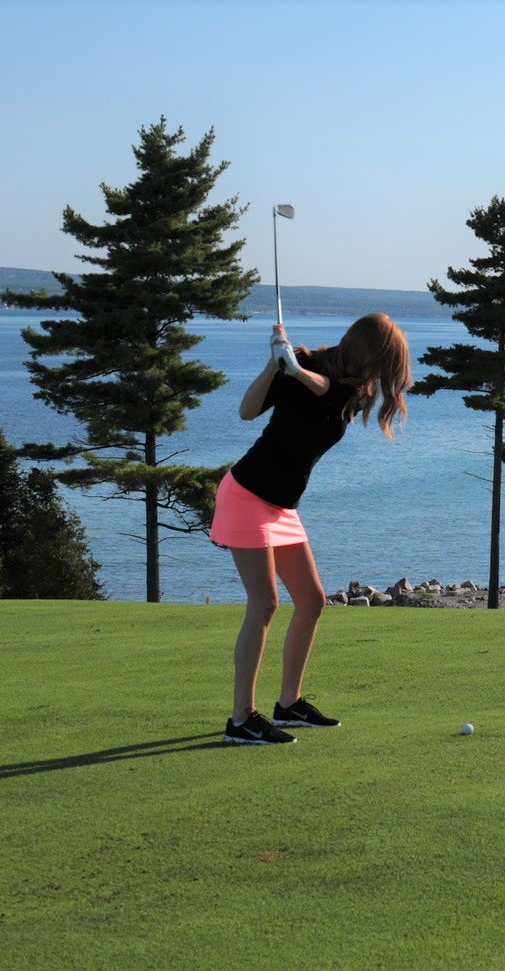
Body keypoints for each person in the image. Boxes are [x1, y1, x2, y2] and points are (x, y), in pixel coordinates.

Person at [210, 313, 411, 744]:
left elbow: (324, 392)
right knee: (265, 604)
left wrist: (297, 370)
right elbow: (246, 412)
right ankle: (242, 718)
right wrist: (275, 364)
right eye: (385, 362)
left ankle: (288, 704)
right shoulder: (299, 362)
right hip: (246, 494)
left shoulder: (352, 387)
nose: (386, 374)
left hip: (281, 506)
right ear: (367, 352)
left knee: (312, 600)